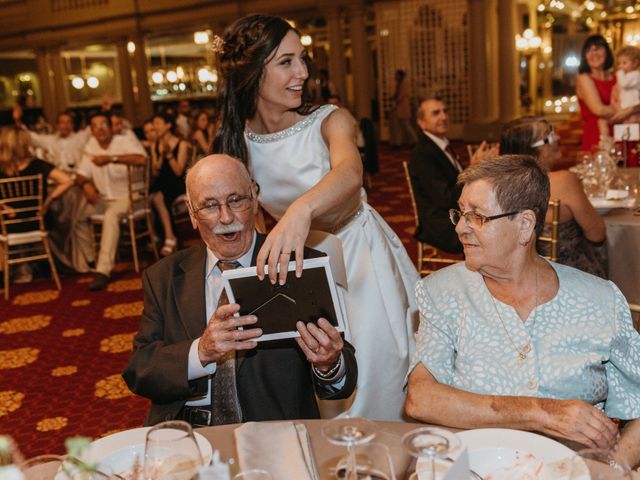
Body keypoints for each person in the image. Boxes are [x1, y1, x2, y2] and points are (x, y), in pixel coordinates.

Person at [213, 14, 418, 420]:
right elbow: (246, 217)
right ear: (254, 72)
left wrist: (299, 211)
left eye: (303, 60)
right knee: (323, 366)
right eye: (286, 62)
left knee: (380, 363)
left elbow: (349, 174)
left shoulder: (329, 119)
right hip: (300, 265)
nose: (302, 72)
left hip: (361, 255)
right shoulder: (235, 141)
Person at [405, 155, 640, 469]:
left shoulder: (599, 301)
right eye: (460, 214)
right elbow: (421, 397)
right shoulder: (443, 292)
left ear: (525, 225)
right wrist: (541, 412)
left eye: (477, 216)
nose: (461, 228)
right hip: (475, 470)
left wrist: (614, 468)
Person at [122, 154, 357, 426]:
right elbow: (140, 371)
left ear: (254, 197)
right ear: (191, 213)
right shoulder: (165, 276)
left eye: (236, 200)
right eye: (209, 205)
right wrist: (202, 351)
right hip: (187, 432)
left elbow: (343, 383)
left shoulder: (298, 265)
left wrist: (329, 363)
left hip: (271, 435)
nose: (225, 217)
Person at [500, 116, 607, 278]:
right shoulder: (564, 181)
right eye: (548, 136)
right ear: (530, 149)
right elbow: (597, 234)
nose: (557, 137)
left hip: (518, 277)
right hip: (567, 277)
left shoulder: (499, 187)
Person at [408, 96, 497, 254]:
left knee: (500, 221)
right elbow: (445, 198)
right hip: (442, 223)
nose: (443, 116)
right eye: (436, 113)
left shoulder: (442, 145)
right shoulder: (422, 153)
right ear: (421, 122)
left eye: (445, 111)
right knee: (494, 231)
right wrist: (473, 169)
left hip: (457, 214)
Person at [75, 113, 147, 290]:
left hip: (130, 196)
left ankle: (102, 270)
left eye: (103, 124)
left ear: (111, 127)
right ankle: (90, 259)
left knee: (111, 215)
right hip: (103, 198)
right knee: (77, 216)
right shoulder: (91, 146)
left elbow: (142, 159)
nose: (99, 128)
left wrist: (112, 159)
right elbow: (79, 175)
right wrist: (86, 185)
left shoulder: (123, 141)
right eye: (95, 125)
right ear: (91, 130)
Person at [0, 127, 74, 282]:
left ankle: (10, 271)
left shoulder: (1, 167)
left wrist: (4, 207)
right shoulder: (37, 164)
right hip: (38, 221)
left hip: (9, 225)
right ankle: (39, 264)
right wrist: (47, 202)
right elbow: (67, 180)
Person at [149, 112, 189, 256]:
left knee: (157, 197)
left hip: (176, 183)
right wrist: (160, 155)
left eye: (158, 123)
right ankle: (164, 236)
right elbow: (155, 171)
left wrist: (169, 154)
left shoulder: (181, 143)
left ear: (168, 125)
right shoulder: (155, 145)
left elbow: (178, 171)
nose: (155, 127)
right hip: (161, 182)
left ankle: (169, 237)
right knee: (152, 197)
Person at [14, 108, 90, 172]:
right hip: (58, 178)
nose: (66, 126)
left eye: (69, 122)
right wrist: (17, 120)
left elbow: (92, 128)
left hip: (77, 177)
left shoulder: (80, 138)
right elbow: (29, 135)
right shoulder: (50, 140)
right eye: (62, 122)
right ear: (57, 125)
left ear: (73, 125)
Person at [576, 35, 617, 152]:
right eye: (589, 50)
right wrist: (628, 110)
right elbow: (599, 110)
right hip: (597, 137)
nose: (594, 53)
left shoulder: (618, 76)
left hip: (622, 133)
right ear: (584, 56)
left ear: (607, 52)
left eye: (598, 48)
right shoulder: (584, 78)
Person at [390, 69, 417, 148]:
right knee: (401, 127)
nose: (395, 77)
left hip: (403, 108)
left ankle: (415, 141)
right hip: (400, 108)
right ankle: (398, 143)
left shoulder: (403, 84)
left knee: (406, 126)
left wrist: (395, 99)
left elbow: (401, 96)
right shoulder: (399, 84)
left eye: (397, 75)